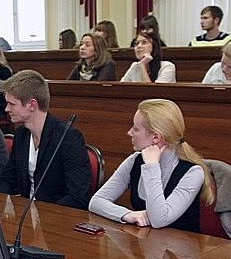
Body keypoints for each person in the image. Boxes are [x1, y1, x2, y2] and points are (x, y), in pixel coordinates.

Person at [89, 99, 214, 231]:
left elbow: (159, 220)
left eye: (135, 129)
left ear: (156, 137)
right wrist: (127, 215)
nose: (129, 132)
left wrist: (152, 167)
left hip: (181, 243)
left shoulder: (193, 172)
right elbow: (96, 201)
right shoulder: (134, 160)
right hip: (145, 240)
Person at [0, 70, 91, 209]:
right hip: (26, 213)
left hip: (57, 215)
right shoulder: (21, 135)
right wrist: (1, 204)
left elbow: (78, 197)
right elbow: (8, 178)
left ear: (32, 105)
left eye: (12, 104)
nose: (6, 109)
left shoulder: (68, 138)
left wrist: (44, 214)